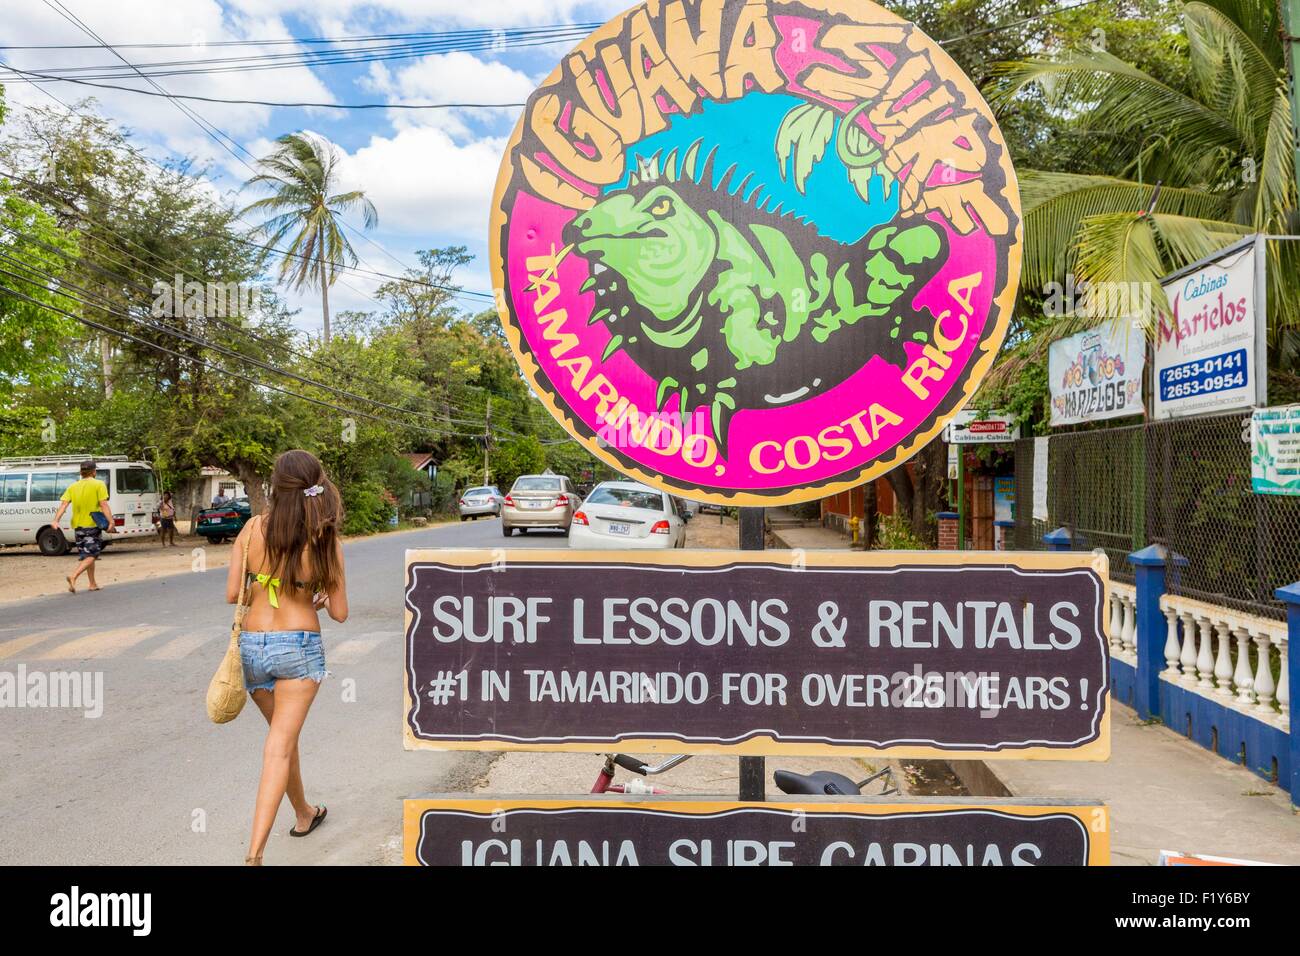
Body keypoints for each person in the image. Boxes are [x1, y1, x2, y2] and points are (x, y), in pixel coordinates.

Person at [225, 450, 348, 865]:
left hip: (254, 647)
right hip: (297, 647)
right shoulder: (324, 537)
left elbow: (230, 595)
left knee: (282, 736)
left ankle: (303, 813)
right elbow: (341, 612)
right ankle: (255, 854)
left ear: (273, 486)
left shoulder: (251, 528)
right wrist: (317, 594)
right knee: (279, 746)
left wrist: (265, 581)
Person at [51, 460, 116, 594]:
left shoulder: (73, 486)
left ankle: (92, 584)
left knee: (87, 555)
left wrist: (56, 520)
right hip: (92, 525)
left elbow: (64, 505)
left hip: (78, 526)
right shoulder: (99, 484)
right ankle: (73, 576)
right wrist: (111, 522)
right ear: (93, 472)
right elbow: (103, 504)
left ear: (81, 472)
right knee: (92, 554)